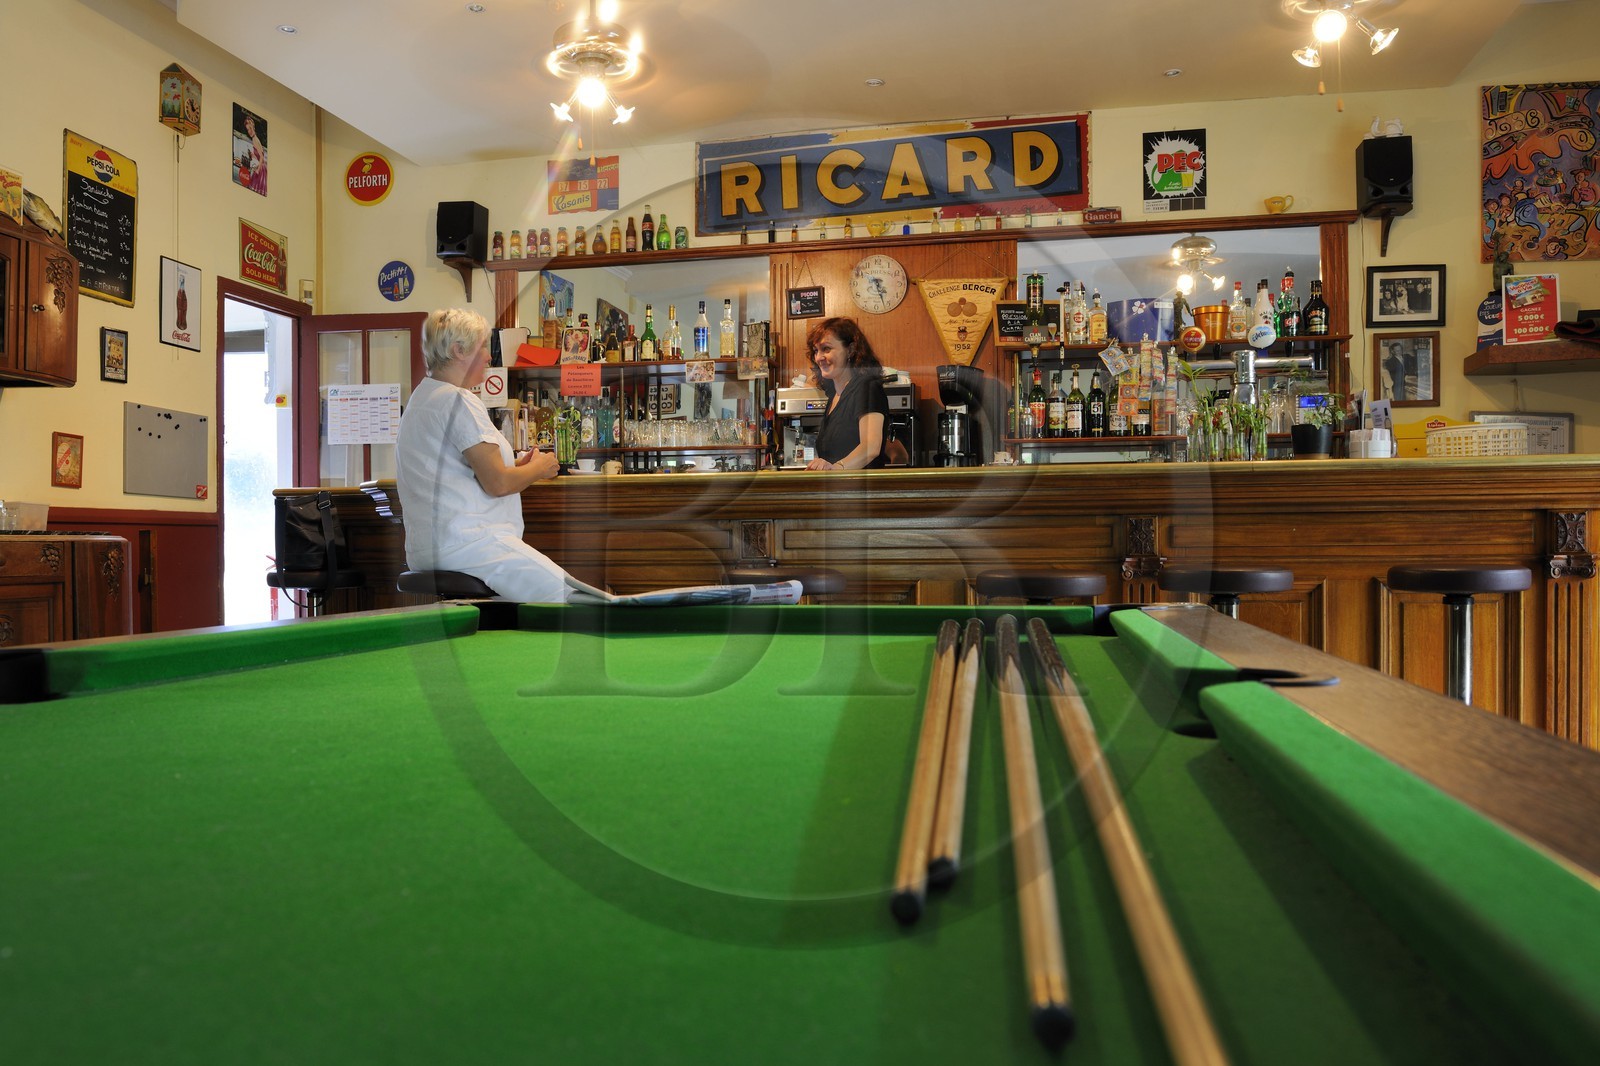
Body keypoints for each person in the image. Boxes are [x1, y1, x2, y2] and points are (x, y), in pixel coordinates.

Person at [396, 307, 571, 602]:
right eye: (484, 347)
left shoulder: (422, 399)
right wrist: (539, 468)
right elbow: (498, 483)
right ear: (458, 350)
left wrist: (516, 465)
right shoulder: (458, 399)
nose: (490, 357)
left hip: (427, 551)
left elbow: (460, 470)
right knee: (570, 596)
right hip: (471, 544)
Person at [804, 317, 888, 471]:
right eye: (816, 351)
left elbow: (871, 447)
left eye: (826, 349)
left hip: (861, 492)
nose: (819, 357)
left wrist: (835, 469)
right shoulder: (834, 396)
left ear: (850, 350)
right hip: (840, 491)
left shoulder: (866, 387)